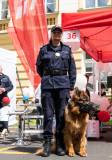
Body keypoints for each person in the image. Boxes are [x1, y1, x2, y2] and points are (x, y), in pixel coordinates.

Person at [36, 26, 76, 157]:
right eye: (55, 32)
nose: (57, 35)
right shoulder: (43, 50)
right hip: (47, 85)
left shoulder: (67, 50)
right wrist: (48, 76)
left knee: (61, 116)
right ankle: (47, 143)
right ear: (51, 34)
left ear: (61, 35)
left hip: (63, 86)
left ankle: (60, 143)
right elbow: (39, 68)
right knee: (48, 115)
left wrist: (70, 85)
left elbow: (72, 69)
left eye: (59, 33)